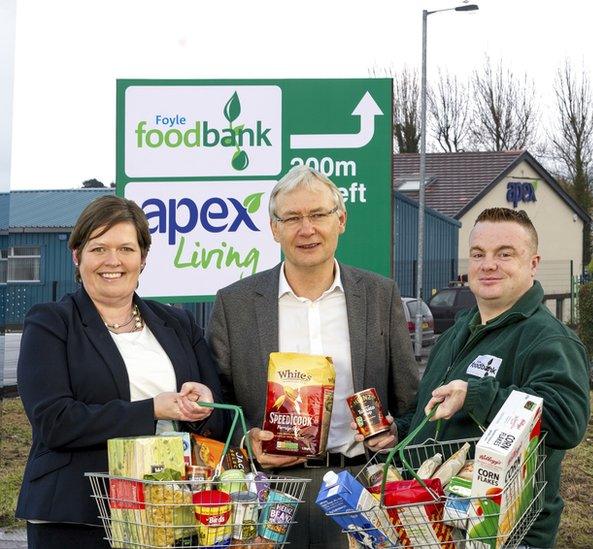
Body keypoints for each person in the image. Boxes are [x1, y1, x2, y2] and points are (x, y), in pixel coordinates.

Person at [208, 164, 419, 549]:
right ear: (274, 229)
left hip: (361, 489)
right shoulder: (234, 304)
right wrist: (245, 443)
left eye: (318, 214)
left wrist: (395, 432)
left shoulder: (380, 296)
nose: (307, 229)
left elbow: (409, 402)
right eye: (292, 217)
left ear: (341, 220)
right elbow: (216, 409)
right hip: (267, 494)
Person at [362, 207, 590, 549]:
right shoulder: (457, 332)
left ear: (533, 263)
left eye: (505, 254)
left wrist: (477, 395)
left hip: (506, 537)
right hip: (436, 530)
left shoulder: (548, 339)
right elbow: (432, 414)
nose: (488, 264)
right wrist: (400, 432)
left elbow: (567, 422)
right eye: (478, 254)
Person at [15, 195, 226, 548]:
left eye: (126, 249)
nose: (113, 261)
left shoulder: (178, 323)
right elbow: (54, 421)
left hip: (170, 511)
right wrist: (151, 409)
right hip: (76, 515)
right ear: (76, 255)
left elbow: (216, 414)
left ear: (143, 259)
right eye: (99, 249)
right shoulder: (51, 323)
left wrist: (204, 405)